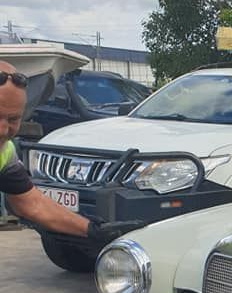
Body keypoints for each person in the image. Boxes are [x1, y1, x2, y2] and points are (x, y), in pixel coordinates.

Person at [0, 60, 137, 245]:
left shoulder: (5, 152)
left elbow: (31, 203)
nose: (3, 129)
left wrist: (91, 229)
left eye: (13, 118)